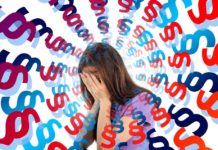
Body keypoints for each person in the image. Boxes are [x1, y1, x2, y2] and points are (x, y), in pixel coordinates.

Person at [76, 42, 154, 150]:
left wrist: (104, 101)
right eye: (87, 79)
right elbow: (80, 144)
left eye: (96, 77)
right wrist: (97, 102)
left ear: (112, 72)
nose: (93, 85)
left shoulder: (143, 100)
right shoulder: (104, 99)